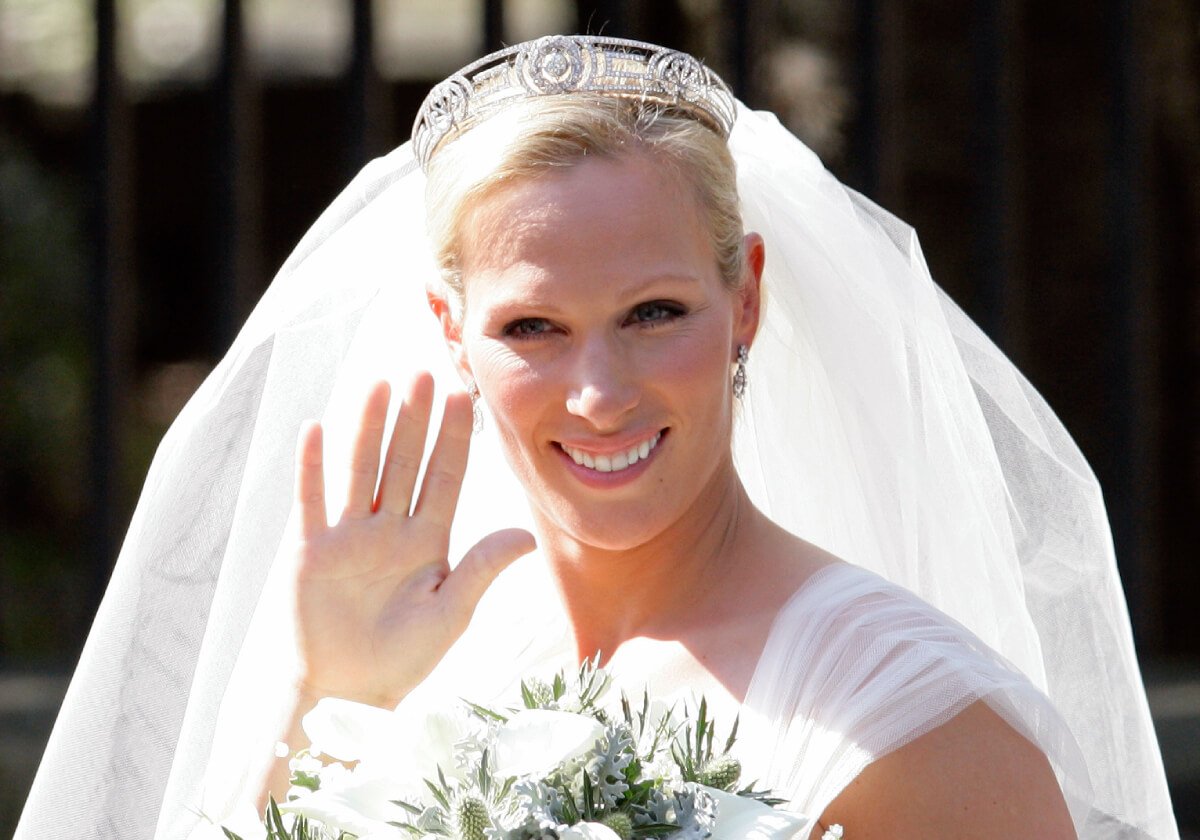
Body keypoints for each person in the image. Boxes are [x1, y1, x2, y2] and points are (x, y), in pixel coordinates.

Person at [16, 36, 1177, 839]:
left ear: (749, 300)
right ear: (451, 333)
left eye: (654, 314)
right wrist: (328, 695)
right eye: (533, 327)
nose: (597, 393)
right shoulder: (407, 656)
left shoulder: (924, 727)